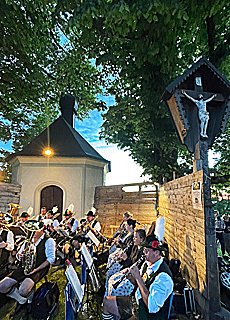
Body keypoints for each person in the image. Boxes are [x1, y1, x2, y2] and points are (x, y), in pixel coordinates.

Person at [102, 234, 173, 320]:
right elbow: (140, 284)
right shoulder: (148, 264)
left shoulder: (164, 277)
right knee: (107, 302)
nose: (143, 253)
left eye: (146, 251)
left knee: (112, 305)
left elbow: (152, 307)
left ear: (156, 252)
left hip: (146, 315)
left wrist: (138, 277)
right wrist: (132, 278)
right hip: (137, 302)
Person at [0, 220, 56, 317]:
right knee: (2, 286)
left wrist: (35, 270)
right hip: (24, 267)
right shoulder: (27, 240)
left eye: (34, 231)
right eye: (30, 230)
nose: (31, 233)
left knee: (23, 290)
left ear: (41, 229)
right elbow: (18, 255)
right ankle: (22, 301)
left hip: (39, 268)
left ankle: (30, 301)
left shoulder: (48, 240)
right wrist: (19, 255)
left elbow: (51, 259)